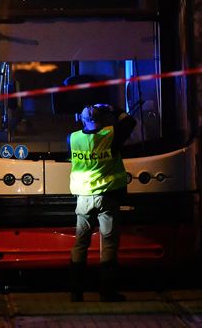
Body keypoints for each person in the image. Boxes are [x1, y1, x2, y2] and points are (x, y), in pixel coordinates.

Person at [68, 103, 136, 302]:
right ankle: (106, 292)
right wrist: (112, 108)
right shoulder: (110, 135)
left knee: (80, 243)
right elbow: (131, 121)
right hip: (107, 197)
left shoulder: (72, 138)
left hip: (83, 198)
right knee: (108, 243)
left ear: (82, 120)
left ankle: (75, 292)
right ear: (102, 120)